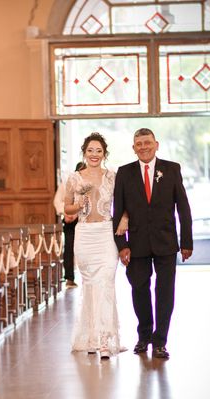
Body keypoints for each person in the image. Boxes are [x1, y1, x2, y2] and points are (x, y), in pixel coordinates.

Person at [113, 128, 192, 360]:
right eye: (139, 144)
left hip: (166, 242)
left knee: (165, 292)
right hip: (136, 243)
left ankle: (160, 341)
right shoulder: (124, 173)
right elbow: (118, 210)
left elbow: (183, 207)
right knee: (139, 290)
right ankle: (144, 335)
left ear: (156, 144)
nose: (144, 147)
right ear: (133, 148)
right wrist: (121, 244)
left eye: (147, 143)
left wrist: (186, 241)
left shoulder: (171, 169)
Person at [64, 132, 121, 359]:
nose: (94, 155)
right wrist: (78, 203)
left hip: (106, 234)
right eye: (90, 150)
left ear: (104, 154)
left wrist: (123, 220)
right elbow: (67, 210)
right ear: (84, 153)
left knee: (106, 283)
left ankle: (105, 339)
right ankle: (90, 337)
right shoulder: (74, 178)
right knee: (89, 286)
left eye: (98, 151)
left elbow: (123, 204)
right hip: (85, 234)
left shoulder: (113, 176)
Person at [53, 161, 85, 287]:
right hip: (69, 220)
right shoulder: (66, 184)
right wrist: (66, 213)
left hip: (83, 219)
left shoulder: (88, 185)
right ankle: (69, 278)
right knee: (69, 248)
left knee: (84, 248)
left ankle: (87, 277)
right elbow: (57, 201)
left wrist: (76, 213)